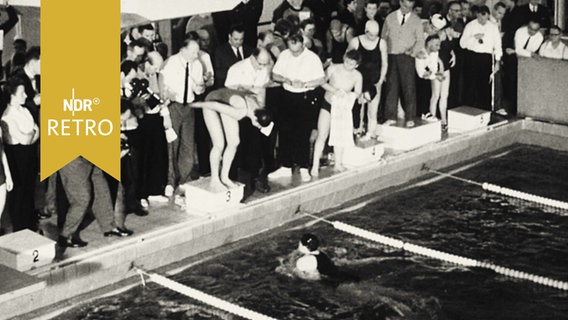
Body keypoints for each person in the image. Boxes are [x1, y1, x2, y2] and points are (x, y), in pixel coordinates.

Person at [188, 88, 272, 191]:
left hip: (227, 101)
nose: (259, 128)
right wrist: (194, 105)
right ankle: (214, 180)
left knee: (234, 142)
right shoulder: (240, 112)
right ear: (255, 118)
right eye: (259, 125)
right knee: (219, 144)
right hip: (212, 101)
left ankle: (225, 177)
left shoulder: (258, 107)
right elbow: (214, 105)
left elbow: (249, 93)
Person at [269, 32, 326, 182]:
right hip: (287, 96)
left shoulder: (312, 58)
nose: (293, 53)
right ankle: (285, 165)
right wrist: (285, 79)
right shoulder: (284, 55)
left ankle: (303, 167)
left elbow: (321, 79)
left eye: (297, 50)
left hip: (305, 96)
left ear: (303, 44)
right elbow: (274, 75)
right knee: (285, 131)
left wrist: (305, 83)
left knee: (302, 132)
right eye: (291, 49)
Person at [159, 38, 202, 196]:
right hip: (173, 106)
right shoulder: (171, 63)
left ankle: (184, 179)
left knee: (188, 145)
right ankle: (170, 180)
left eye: (197, 52)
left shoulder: (197, 64)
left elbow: (198, 89)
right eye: (193, 52)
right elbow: (163, 86)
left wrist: (200, 87)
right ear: (183, 50)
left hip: (189, 107)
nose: (196, 55)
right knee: (172, 144)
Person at [311, 50, 362, 177]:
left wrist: (347, 95)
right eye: (346, 61)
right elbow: (321, 82)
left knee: (340, 136)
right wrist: (335, 91)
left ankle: (338, 163)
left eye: (351, 64)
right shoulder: (333, 68)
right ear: (344, 58)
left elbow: (358, 93)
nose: (347, 64)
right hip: (328, 104)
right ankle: (315, 165)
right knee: (322, 134)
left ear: (356, 65)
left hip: (342, 108)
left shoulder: (357, 76)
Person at [0, 77, 38, 232]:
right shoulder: (6, 117)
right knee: (18, 197)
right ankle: (20, 230)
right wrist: (32, 133)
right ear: (12, 96)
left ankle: (30, 228)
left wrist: (30, 134)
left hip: (29, 158)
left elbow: (35, 133)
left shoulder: (26, 110)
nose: (26, 96)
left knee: (29, 194)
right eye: (22, 93)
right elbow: (26, 139)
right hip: (17, 160)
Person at [381, 0, 425, 128]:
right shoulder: (390, 18)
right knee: (391, 87)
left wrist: (412, 52)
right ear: (400, 3)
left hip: (407, 57)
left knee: (409, 87)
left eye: (410, 7)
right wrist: (383, 55)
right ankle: (390, 116)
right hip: (391, 56)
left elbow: (420, 40)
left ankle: (410, 116)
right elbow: (383, 38)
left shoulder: (416, 20)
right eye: (405, 6)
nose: (408, 9)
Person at [347, 20, 387, 139]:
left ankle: (370, 133)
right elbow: (347, 60)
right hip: (358, 80)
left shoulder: (381, 43)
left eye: (376, 35)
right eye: (371, 35)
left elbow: (385, 64)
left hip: (374, 81)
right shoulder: (355, 41)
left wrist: (380, 81)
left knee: (372, 110)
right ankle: (357, 131)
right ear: (365, 31)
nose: (373, 38)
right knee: (358, 109)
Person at [459, 5, 502, 112]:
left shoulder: (493, 27)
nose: (483, 21)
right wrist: (474, 38)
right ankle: (467, 111)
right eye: (480, 18)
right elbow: (462, 44)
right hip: (472, 57)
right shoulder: (470, 26)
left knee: (485, 87)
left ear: (488, 16)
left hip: (486, 58)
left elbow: (497, 44)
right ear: (477, 15)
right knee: (470, 85)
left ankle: (485, 112)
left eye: (485, 18)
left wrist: (497, 61)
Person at [276, 233, 359, 282]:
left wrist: (285, 271)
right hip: (343, 276)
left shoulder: (303, 261)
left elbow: (310, 278)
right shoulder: (322, 253)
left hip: (335, 283)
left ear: (303, 246)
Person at [214, 24, 254, 88]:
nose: (239, 42)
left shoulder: (250, 50)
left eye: (241, 39)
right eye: (236, 39)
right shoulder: (220, 52)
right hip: (229, 87)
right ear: (229, 36)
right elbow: (218, 74)